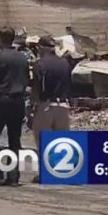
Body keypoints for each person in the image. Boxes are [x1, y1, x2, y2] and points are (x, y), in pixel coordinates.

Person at [0, 26, 29, 186]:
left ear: (1, 39)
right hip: (18, 101)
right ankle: (14, 176)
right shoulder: (23, 57)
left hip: (2, 100)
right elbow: (26, 79)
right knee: (15, 139)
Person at [31, 35, 72, 184]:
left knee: (43, 140)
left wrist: (32, 107)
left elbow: (36, 88)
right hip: (64, 105)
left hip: (46, 105)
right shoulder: (65, 63)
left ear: (41, 48)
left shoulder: (39, 64)